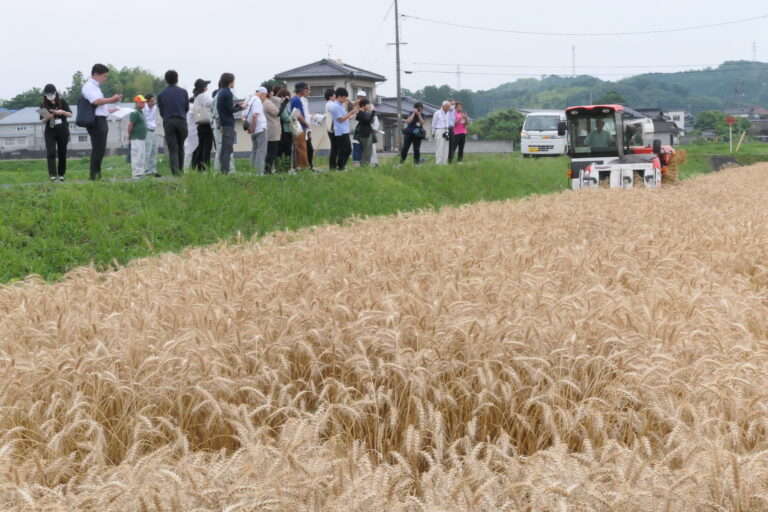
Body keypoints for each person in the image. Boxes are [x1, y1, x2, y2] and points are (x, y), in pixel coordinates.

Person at [82, 63, 121, 180]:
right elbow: (96, 101)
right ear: (95, 75)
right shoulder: (89, 86)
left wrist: (108, 110)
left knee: (100, 148)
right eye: (104, 76)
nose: (105, 79)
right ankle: (94, 176)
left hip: (101, 119)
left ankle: (97, 175)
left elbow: (98, 106)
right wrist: (112, 99)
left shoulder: (96, 87)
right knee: (98, 148)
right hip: (96, 121)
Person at [157, 70, 189, 176]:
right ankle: (181, 170)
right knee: (181, 146)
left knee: (172, 148)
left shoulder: (161, 94)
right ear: (177, 79)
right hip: (181, 120)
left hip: (168, 122)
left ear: (166, 80)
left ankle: (175, 172)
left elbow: (161, 111)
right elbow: (186, 108)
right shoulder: (183, 92)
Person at [39, 84, 72, 182]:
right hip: (50, 132)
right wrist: (48, 117)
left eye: (51, 94)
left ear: (55, 93)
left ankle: (61, 174)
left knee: (62, 153)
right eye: (47, 95)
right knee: (51, 153)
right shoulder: (43, 104)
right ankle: (52, 175)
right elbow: (42, 120)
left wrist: (62, 112)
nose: (50, 96)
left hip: (62, 131)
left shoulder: (62, 102)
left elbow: (70, 114)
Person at [215, 72, 246, 174]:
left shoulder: (222, 92)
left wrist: (237, 104)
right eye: (233, 81)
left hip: (223, 123)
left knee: (225, 148)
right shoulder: (228, 92)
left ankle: (223, 169)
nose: (234, 83)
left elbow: (227, 106)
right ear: (230, 82)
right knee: (227, 148)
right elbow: (230, 109)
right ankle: (225, 171)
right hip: (227, 123)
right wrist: (241, 107)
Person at [331, 87, 358, 171]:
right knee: (345, 149)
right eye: (345, 97)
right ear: (340, 96)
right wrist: (350, 113)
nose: (346, 99)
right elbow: (340, 119)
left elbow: (344, 117)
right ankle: (341, 166)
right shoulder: (335, 106)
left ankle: (341, 166)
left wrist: (350, 114)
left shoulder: (340, 106)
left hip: (344, 130)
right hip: (340, 131)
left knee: (347, 149)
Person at [211, 85, 236, 174]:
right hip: (221, 124)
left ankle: (217, 170)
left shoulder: (216, 97)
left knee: (220, 148)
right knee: (225, 148)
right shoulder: (221, 96)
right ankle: (230, 170)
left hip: (216, 124)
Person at [190, 79, 213, 170]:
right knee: (207, 147)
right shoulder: (203, 96)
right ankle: (205, 168)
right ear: (203, 87)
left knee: (201, 146)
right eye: (206, 85)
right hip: (206, 123)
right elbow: (209, 103)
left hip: (199, 124)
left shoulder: (196, 97)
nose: (207, 86)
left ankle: (199, 167)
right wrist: (216, 98)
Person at [289, 82, 311, 170]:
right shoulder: (297, 100)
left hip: (295, 125)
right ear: (301, 90)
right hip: (299, 126)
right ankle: (306, 167)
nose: (308, 91)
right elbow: (298, 115)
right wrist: (306, 123)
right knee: (302, 147)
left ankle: (298, 166)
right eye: (306, 89)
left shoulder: (294, 99)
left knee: (298, 147)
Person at [246, 86, 268, 174]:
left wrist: (250, 127)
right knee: (261, 151)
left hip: (253, 130)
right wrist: (254, 127)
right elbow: (255, 115)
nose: (264, 99)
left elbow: (243, 116)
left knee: (254, 150)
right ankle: (259, 172)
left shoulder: (249, 99)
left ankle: (253, 170)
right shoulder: (258, 100)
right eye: (265, 96)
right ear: (262, 94)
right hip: (260, 128)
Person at [127, 95, 150, 179]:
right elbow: (130, 125)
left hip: (142, 138)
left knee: (141, 155)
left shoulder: (141, 112)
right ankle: (136, 174)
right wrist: (129, 135)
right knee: (136, 155)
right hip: (136, 138)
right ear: (137, 103)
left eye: (144, 102)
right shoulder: (134, 112)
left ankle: (141, 172)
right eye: (142, 102)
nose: (144, 103)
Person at [263, 87, 281, 173]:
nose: (273, 94)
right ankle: (268, 170)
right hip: (272, 128)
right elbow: (277, 112)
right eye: (272, 92)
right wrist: (284, 103)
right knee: (272, 151)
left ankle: (267, 170)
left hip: (270, 128)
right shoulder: (267, 102)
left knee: (271, 151)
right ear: (269, 93)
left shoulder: (264, 102)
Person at [143, 94, 161, 177]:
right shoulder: (144, 109)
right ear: (147, 101)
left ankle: (153, 170)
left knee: (154, 151)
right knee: (147, 151)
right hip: (147, 131)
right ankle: (146, 170)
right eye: (152, 101)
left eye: (154, 100)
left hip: (154, 130)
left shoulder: (154, 108)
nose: (154, 102)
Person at [276, 88, 293, 171]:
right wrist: (294, 116)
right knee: (286, 150)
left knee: (281, 151)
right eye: (288, 97)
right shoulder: (282, 105)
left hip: (282, 130)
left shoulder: (278, 104)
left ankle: (280, 168)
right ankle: (286, 168)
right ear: (283, 97)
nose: (289, 99)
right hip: (285, 131)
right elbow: (286, 117)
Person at [355, 98, 375, 167]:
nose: (369, 105)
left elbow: (369, 121)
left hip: (367, 134)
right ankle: (364, 167)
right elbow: (368, 120)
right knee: (366, 152)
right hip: (365, 135)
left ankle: (365, 166)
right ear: (363, 105)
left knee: (368, 152)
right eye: (368, 104)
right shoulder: (360, 113)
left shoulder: (364, 113)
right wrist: (373, 112)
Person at [324, 88, 338, 170]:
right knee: (334, 148)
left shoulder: (332, 103)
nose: (335, 96)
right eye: (334, 94)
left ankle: (333, 166)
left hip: (333, 128)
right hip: (332, 129)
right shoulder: (330, 104)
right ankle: (332, 166)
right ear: (330, 96)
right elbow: (337, 111)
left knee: (335, 148)